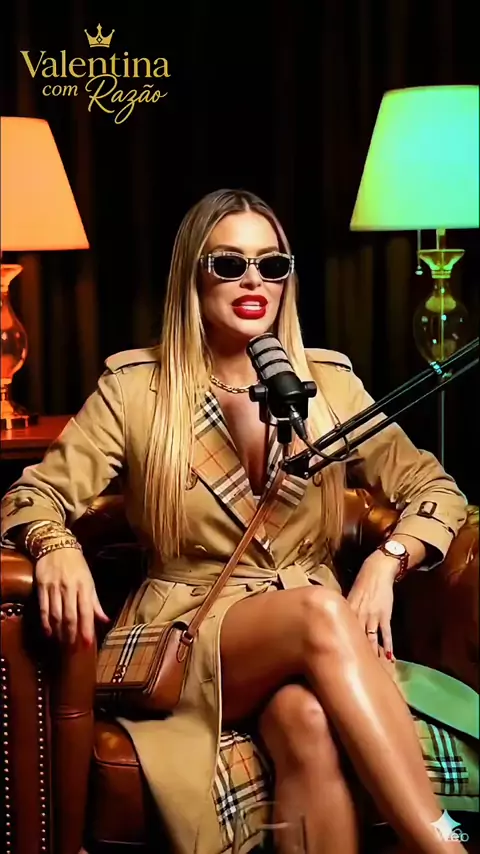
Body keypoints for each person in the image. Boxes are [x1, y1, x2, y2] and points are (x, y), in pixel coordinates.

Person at [1, 188, 477, 854]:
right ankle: (446, 847)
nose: (254, 281)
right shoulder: (136, 389)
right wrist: (55, 546)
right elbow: (32, 493)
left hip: (315, 634)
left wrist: (386, 561)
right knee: (320, 610)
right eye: (229, 264)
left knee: (306, 721)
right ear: (193, 277)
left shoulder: (328, 384)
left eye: (271, 264)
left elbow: (435, 488)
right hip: (189, 630)